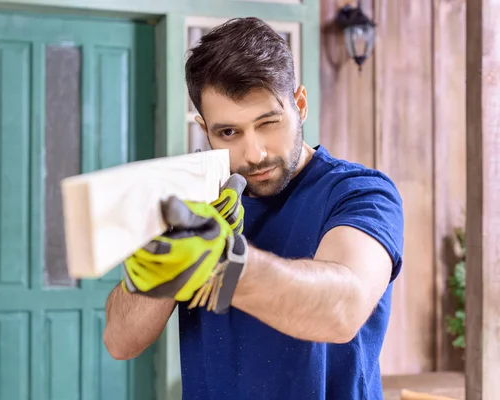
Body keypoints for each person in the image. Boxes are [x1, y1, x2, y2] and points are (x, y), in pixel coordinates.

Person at [103, 17, 404, 400]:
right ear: (204, 128)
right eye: (228, 132)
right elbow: (119, 340)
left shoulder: (359, 193)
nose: (254, 152)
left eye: (268, 123)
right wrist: (166, 256)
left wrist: (223, 264)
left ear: (300, 104)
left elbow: (342, 309)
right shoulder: (199, 203)